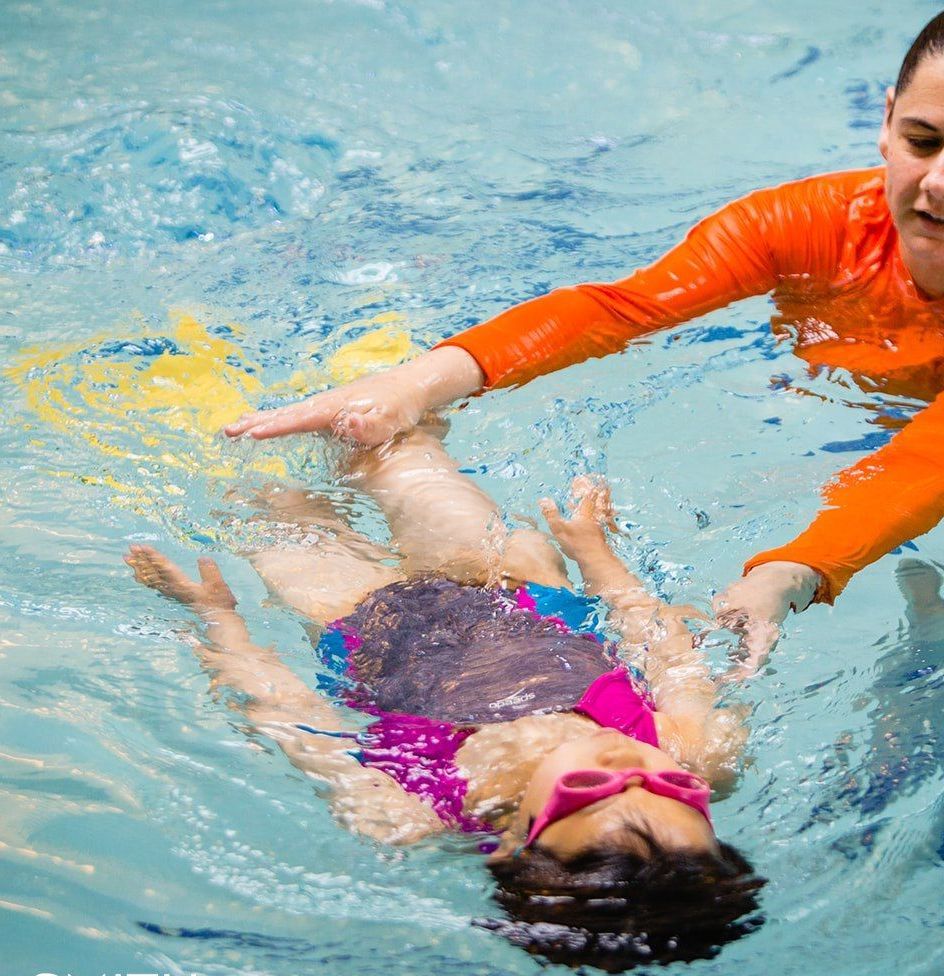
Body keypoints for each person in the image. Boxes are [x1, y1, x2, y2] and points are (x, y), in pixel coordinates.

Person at [225, 13, 944, 671]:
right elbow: (622, 308)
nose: (940, 183)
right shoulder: (808, 226)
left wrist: (787, 574)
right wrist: (412, 385)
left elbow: (921, 466)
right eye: (923, 141)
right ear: (884, 121)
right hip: (829, 395)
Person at [126, 423, 761, 969]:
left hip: (366, 624)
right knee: (392, 443)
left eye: (588, 789)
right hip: (517, 587)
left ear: (517, 846)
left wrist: (219, 622)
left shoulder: (411, 813)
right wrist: (597, 558)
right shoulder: (695, 751)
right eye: (672, 790)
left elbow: (290, 716)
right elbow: (667, 651)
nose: (631, 768)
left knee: (263, 497)